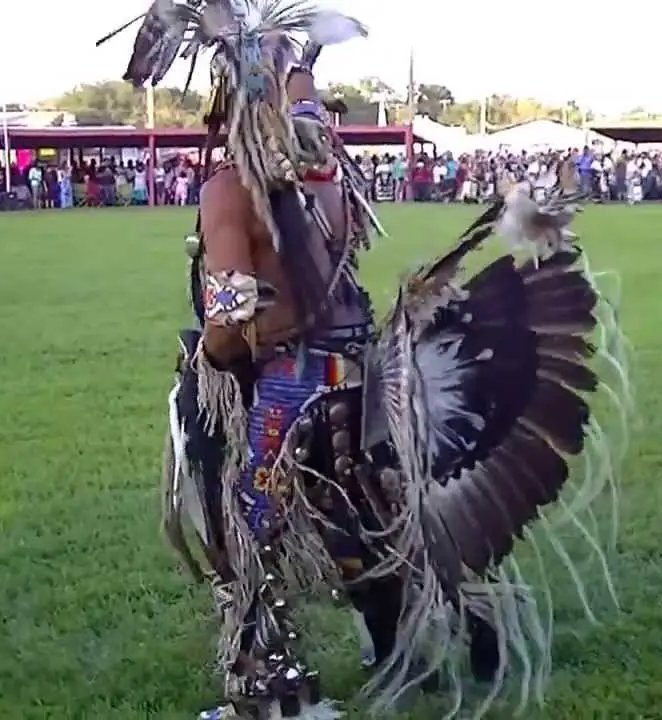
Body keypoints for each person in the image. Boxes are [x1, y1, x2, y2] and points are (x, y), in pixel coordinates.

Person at [103, 2, 633, 719]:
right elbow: (310, 128)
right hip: (362, 373)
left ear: (226, 103)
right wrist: (300, 71)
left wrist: (215, 360)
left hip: (288, 387)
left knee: (246, 534)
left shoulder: (228, 189)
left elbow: (230, 320)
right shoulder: (327, 173)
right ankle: (417, 644)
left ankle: (276, 689)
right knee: (374, 518)